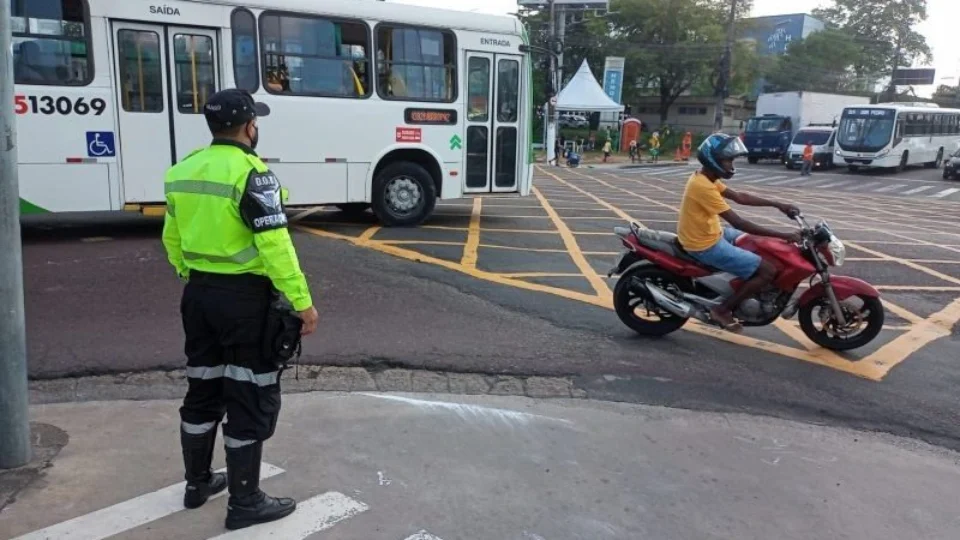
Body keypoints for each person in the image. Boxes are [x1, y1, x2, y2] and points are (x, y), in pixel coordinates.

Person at [161, 88, 319, 530]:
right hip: (245, 301)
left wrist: (190, 274)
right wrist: (303, 303)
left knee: (203, 387)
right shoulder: (254, 175)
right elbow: (276, 246)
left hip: (198, 296)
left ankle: (197, 484)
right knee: (249, 391)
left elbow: (172, 238)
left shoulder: (182, 171)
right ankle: (245, 502)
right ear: (250, 126)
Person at [677, 133, 801, 332]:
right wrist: (785, 235)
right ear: (713, 160)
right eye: (728, 160)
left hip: (711, 232)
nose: (730, 164)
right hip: (704, 245)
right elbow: (739, 222)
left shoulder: (707, 178)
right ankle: (723, 310)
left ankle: (740, 288)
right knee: (767, 270)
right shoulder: (703, 187)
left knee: (759, 245)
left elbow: (740, 197)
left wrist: (778, 204)